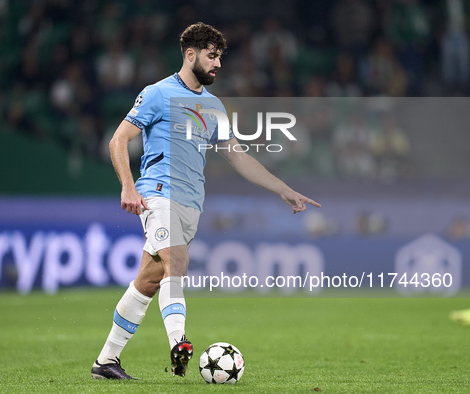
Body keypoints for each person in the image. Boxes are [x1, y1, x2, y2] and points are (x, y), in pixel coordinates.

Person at [91, 22, 321, 380]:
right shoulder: (157, 93)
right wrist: (128, 187)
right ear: (190, 54)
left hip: (191, 204)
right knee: (177, 261)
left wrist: (283, 189)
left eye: (220, 58)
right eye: (212, 57)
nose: (218, 64)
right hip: (157, 194)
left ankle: (106, 361)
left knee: (150, 280)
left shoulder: (213, 107)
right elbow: (118, 140)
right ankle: (179, 344)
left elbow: (239, 156)